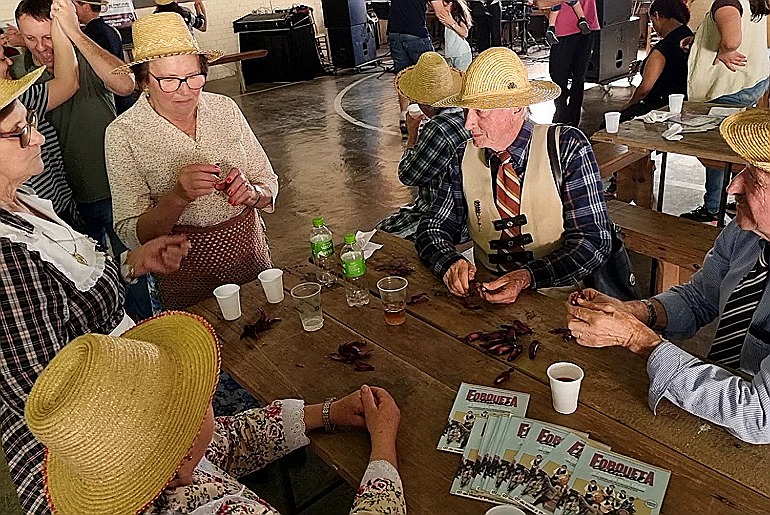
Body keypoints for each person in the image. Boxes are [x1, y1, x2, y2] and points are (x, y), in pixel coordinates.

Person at [0, 72, 189, 513]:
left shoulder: (24, 202)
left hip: (118, 390)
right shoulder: (4, 261)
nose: (38, 140)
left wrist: (133, 262)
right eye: (18, 132)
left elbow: (69, 295)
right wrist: (162, 410)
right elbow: (49, 393)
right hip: (85, 448)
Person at [24, 312, 406, 515]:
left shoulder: (156, 469)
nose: (209, 395)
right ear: (183, 444)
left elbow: (231, 439)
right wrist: (384, 448)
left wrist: (327, 413)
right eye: (198, 395)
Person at [566, 108, 770, 445]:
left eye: (755, 178)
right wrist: (634, 312)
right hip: (717, 403)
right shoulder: (744, 234)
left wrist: (639, 339)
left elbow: (758, 414)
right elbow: (700, 297)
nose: (733, 186)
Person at [106, 13, 279, 310]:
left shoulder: (225, 109)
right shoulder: (124, 134)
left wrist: (252, 193)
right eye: (169, 80)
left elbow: (268, 182)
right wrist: (178, 197)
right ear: (145, 80)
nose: (185, 90)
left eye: (193, 76)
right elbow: (131, 232)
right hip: (183, 270)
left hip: (249, 254)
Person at [416, 47, 612, 304]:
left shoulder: (566, 146)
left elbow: (594, 240)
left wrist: (527, 277)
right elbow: (432, 227)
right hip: (486, 293)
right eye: (467, 111)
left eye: (480, 112)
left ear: (516, 107)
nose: (468, 123)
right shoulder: (463, 157)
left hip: (560, 297)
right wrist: (449, 262)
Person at [11, 0, 135, 254]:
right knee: (88, 272)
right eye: (30, 38)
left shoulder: (86, 55)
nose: (42, 47)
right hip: (61, 198)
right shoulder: (18, 72)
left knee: (133, 268)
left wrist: (76, 35)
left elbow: (126, 85)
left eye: (48, 36)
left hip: (112, 185)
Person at [680, 0, 770, 222]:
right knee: (735, 149)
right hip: (750, 79)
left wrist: (724, 48)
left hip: (728, 86)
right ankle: (738, 200)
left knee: (717, 151)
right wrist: (702, 41)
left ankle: (713, 209)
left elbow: (732, 39)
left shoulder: (727, 1)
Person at [0, 11, 82, 230]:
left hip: (52, 202)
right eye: (1, 58)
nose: (9, 61)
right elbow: (68, 82)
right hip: (41, 211)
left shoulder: (20, 97)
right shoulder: (21, 99)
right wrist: (63, 26)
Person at [377, 51, 470, 240]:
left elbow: (408, 175)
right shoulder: (467, 116)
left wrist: (412, 135)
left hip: (445, 216)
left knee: (380, 234)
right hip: (473, 213)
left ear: (425, 104)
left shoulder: (437, 129)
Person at [618, 0, 693, 122]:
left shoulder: (664, 47)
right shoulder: (688, 35)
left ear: (657, 15)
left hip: (660, 106)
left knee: (609, 124)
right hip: (684, 102)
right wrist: (643, 65)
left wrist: (627, 105)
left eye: (652, 21)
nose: (654, 27)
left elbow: (644, 89)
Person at [535, 0, 600, 127]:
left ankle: (565, 116)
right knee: (569, 77)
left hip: (575, 26)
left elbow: (541, 3)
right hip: (577, 25)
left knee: (567, 76)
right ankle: (566, 115)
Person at [72, 0, 136, 114]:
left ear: (86, 7)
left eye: (75, 5)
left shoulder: (93, 35)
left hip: (114, 102)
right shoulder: (109, 29)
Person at [388, 0, 434, 135]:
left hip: (394, 31)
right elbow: (438, 7)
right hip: (415, 31)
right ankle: (426, 117)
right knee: (427, 75)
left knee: (403, 76)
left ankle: (404, 116)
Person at [431, 0, 473, 71]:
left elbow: (465, 33)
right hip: (450, 54)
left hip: (461, 54)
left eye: (444, 5)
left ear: (450, 4)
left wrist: (452, 23)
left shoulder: (457, 16)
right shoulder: (447, 17)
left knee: (462, 78)